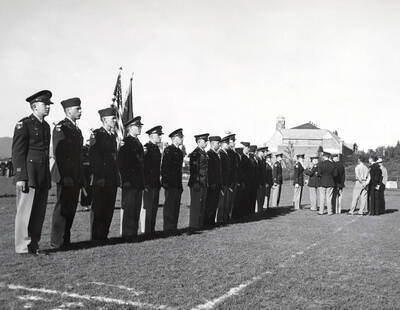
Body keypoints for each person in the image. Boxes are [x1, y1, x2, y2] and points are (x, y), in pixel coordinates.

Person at [12, 90, 53, 255]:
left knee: (38, 214)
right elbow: (18, 152)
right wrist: (21, 176)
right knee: (25, 213)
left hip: (42, 175)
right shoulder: (24, 124)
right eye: (45, 104)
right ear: (35, 106)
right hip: (29, 176)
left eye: (49, 105)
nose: (48, 107)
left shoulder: (46, 126)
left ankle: (34, 245)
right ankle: (22, 247)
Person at [50, 97, 84, 248]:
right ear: (69, 110)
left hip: (75, 175)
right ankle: (57, 241)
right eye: (78, 109)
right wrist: (66, 176)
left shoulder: (76, 129)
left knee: (70, 208)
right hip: (66, 176)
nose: (80, 111)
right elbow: (60, 154)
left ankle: (66, 240)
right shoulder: (61, 128)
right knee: (62, 208)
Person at [90, 107, 120, 242]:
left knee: (109, 208)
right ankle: (96, 237)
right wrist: (99, 177)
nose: (115, 120)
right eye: (112, 118)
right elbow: (95, 158)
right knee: (99, 208)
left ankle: (104, 235)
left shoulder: (112, 136)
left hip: (111, 179)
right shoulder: (97, 135)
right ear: (104, 120)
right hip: (101, 178)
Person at [118, 116, 144, 239]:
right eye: (137, 126)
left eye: (140, 126)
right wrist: (126, 180)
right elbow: (122, 164)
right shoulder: (126, 142)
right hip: (130, 182)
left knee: (136, 208)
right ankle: (128, 233)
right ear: (130, 128)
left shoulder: (138, 143)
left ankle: (133, 232)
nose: (140, 128)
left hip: (138, 181)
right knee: (129, 208)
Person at [140, 125, 163, 235]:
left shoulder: (156, 149)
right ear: (151, 136)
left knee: (153, 208)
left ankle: (151, 230)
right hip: (148, 183)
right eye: (158, 135)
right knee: (147, 208)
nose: (160, 137)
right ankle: (146, 230)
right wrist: (145, 183)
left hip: (155, 183)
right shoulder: (147, 148)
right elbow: (143, 167)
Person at [161, 128, 184, 233]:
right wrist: (165, 181)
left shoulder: (179, 151)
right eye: (180, 137)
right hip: (170, 183)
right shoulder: (169, 150)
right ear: (174, 138)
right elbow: (165, 167)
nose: (182, 139)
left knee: (175, 206)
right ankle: (168, 228)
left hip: (177, 183)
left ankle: (173, 227)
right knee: (170, 206)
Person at [188, 133, 209, 229]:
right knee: (196, 205)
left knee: (202, 205)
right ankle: (194, 225)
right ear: (199, 142)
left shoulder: (203, 153)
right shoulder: (196, 153)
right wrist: (196, 183)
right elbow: (194, 170)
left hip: (203, 182)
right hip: (197, 183)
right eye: (205, 141)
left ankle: (199, 224)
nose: (206, 142)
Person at [204, 136, 222, 226]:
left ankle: (211, 221)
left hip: (217, 183)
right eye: (217, 142)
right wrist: (211, 183)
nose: (219, 144)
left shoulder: (216, 154)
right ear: (212, 143)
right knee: (210, 204)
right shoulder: (209, 154)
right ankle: (207, 222)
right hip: (212, 183)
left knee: (214, 203)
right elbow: (210, 171)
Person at [217, 135, 231, 223]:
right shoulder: (221, 153)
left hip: (227, 181)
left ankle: (223, 218)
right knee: (221, 203)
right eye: (226, 143)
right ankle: (219, 219)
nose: (228, 145)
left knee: (225, 202)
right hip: (223, 181)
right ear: (222, 144)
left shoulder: (226, 154)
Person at [226, 134, 240, 218]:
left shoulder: (234, 152)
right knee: (227, 201)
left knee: (231, 201)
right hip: (230, 180)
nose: (234, 143)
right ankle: (226, 216)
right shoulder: (228, 152)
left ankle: (229, 216)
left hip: (234, 179)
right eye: (232, 141)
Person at [256, 147, 267, 213]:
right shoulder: (258, 159)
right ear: (259, 152)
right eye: (262, 152)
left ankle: (261, 208)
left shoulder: (263, 160)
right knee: (259, 196)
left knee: (262, 196)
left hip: (263, 181)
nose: (263, 153)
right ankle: (258, 209)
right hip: (260, 181)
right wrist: (259, 182)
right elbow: (258, 172)